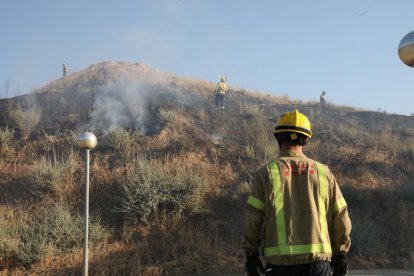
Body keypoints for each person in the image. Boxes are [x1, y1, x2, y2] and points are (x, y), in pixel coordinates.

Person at [242, 109, 352, 276]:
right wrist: (340, 255)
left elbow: (253, 219)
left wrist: (251, 255)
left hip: (279, 265)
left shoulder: (265, 174)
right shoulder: (324, 173)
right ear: (306, 139)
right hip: (318, 264)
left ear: (278, 137)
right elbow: (341, 216)